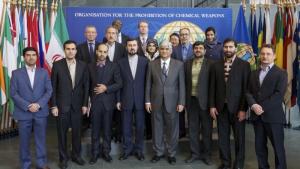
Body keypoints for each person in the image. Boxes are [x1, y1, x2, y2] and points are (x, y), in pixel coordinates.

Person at [209, 38, 250, 169]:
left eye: (230, 47)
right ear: (223, 48)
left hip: (238, 109)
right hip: (221, 108)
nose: (228, 49)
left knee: (239, 139)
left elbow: (246, 89)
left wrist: (244, 109)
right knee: (223, 138)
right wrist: (212, 106)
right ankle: (225, 163)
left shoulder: (244, 65)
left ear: (235, 48)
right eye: (226, 47)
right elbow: (212, 88)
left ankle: (238, 164)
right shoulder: (216, 65)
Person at [246, 44, 287, 169]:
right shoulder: (253, 73)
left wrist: (260, 107)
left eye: (268, 54)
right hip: (257, 119)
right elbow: (248, 92)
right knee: (260, 148)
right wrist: (253, 105)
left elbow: (279, 95)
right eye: (263, 53)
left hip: (273, 118)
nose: (265, 56)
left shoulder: (281, 73)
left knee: (278, 149)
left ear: (274, 56)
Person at [11, 47, 52, 169]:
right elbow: (13, 93)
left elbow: (49, 91)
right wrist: (28, 106)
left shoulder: (44, 72)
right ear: (24, 57)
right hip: (23, 112)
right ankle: (25, 164)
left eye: (33, 55)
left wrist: (38, 104)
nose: (31, 57)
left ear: (36, 57)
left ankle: (41, 163)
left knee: (41, 139)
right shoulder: (16, 73)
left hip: (40, 111)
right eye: (28, 55)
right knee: (24, 141)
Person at [145, 40, 185, 165]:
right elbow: (148, 85)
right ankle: (158, 152)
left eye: (167, 49)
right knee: (157, 128)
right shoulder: (152, 64)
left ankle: (172, 154)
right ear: (159, 50)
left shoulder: (179, 64)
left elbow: (182, 85)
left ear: (171, 50)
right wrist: (147, 101)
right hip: (155, 101)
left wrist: (181, 102)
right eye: (162, 48)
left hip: (173, 103)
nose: (164, 51)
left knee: (172, 129)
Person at [51, 40, 89, 169]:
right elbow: (53, 87)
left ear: (76, 51)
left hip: (78, 106)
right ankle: (63, 158)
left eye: (73, 49)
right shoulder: (57, 65)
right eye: (68, 49)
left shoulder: (83, 65)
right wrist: (54, 105)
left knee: (77, 133)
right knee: (62, 134)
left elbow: (86, 86)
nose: (71, 51)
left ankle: (76, 156)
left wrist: (85, 104)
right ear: (64, 50)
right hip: (62, 106)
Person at [88, 43, 122, 164]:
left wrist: (106, 88)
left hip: (108, 103)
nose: (102, 54)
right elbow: (87, 85)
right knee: (95, 130)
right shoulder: (90, 66)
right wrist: (87, 102)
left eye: (104, 52)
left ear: (107, 53)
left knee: (107, 130)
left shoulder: (114, 66)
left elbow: (119, 83)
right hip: (95, 103)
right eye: (100, 51)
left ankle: (106, 152)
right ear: (97, 52)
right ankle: (95, 154)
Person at [117, 38, 148, 161]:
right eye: (130, 45)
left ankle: (139, 150)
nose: (132, 47)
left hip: (141, 100)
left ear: (138, 47)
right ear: (126, 47)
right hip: (126, 99)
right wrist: (118, 100)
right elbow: (118, 83)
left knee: (140, 126)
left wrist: (147, 100)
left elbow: (148, 83)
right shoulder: (120, 62)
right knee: (126, 126)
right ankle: (127, 150)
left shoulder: (145, 62)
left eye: (134, 45)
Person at [184, 41, 213, 165]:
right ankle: (194, 153)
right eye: (196, 48)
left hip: (206, 103)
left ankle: (206, 155)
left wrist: (212, 104)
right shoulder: (187, 64)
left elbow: (213, 85)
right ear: (193, 50)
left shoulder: (211, 64)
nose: (198, 50)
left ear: (205, 51)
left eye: (201, 48)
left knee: (207, 130)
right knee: (193, 129)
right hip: (192, 101)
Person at [104, 25, 126, 142]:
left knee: (118, 111)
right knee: (107, 111)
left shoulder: (122, 48)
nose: (111, 35)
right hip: (104, 84)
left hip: (119, 83)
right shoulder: (101, 47)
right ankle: (108, 133)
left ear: (117, 35)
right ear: (106, 35)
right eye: (109, 33)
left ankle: (118, 135)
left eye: (113, 33)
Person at [172, 27, 194, 138]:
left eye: (186, 34)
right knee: (179, 108)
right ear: (179, 36)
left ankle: (191, 131)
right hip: (178, 83)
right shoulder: (174, 49)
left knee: (191, 109)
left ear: (189, 35)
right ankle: (181, 131)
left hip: (192, 83)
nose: (184, 36)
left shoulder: (194, 49)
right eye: (182, 34)